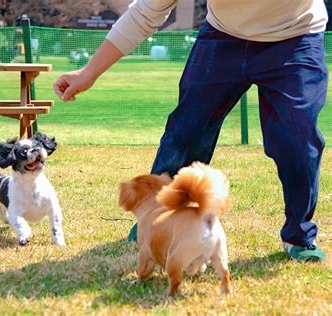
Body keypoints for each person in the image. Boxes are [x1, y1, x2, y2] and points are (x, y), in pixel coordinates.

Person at [53, 0, 328, 262]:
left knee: (297, 137)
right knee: (186, 132)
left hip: (295, 39)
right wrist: (89, 72)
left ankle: (299, 234)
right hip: (224, 37)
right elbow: (144, 14)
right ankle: (157, 218)